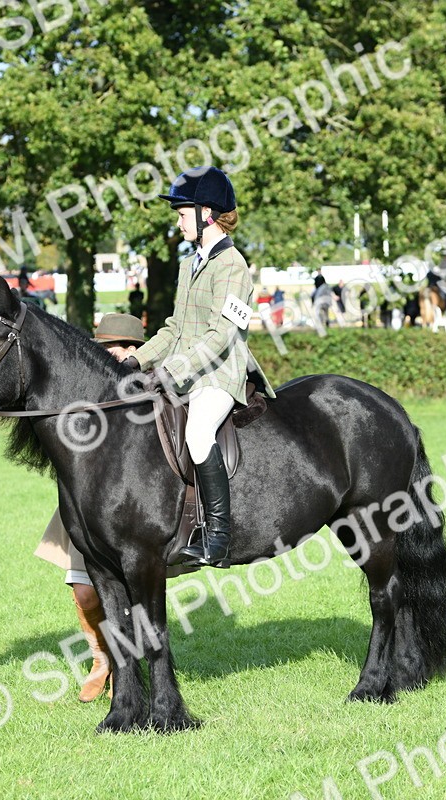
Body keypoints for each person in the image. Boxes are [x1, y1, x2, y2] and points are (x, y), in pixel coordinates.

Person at [122, 166, 275, 569]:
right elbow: (174, 328)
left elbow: (223, 333)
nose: (177, 220)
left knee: (198, 429)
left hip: (220, 374)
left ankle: (218, 538)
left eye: (181, 213)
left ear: (206, 212)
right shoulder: (189, 264)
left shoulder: (233, 266)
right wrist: (137, 359)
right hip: (186, 370)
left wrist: (172, 370)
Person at [33, 313, 148, 702]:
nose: (105, 354)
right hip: (87, 501)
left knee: (132, 586)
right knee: (84, 592)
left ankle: (127, 665)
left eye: (112, 347)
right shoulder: (85, 384)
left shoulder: (143, 384)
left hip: (130, 506)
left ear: (133, 350)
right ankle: (102, 658)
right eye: (102, 347)